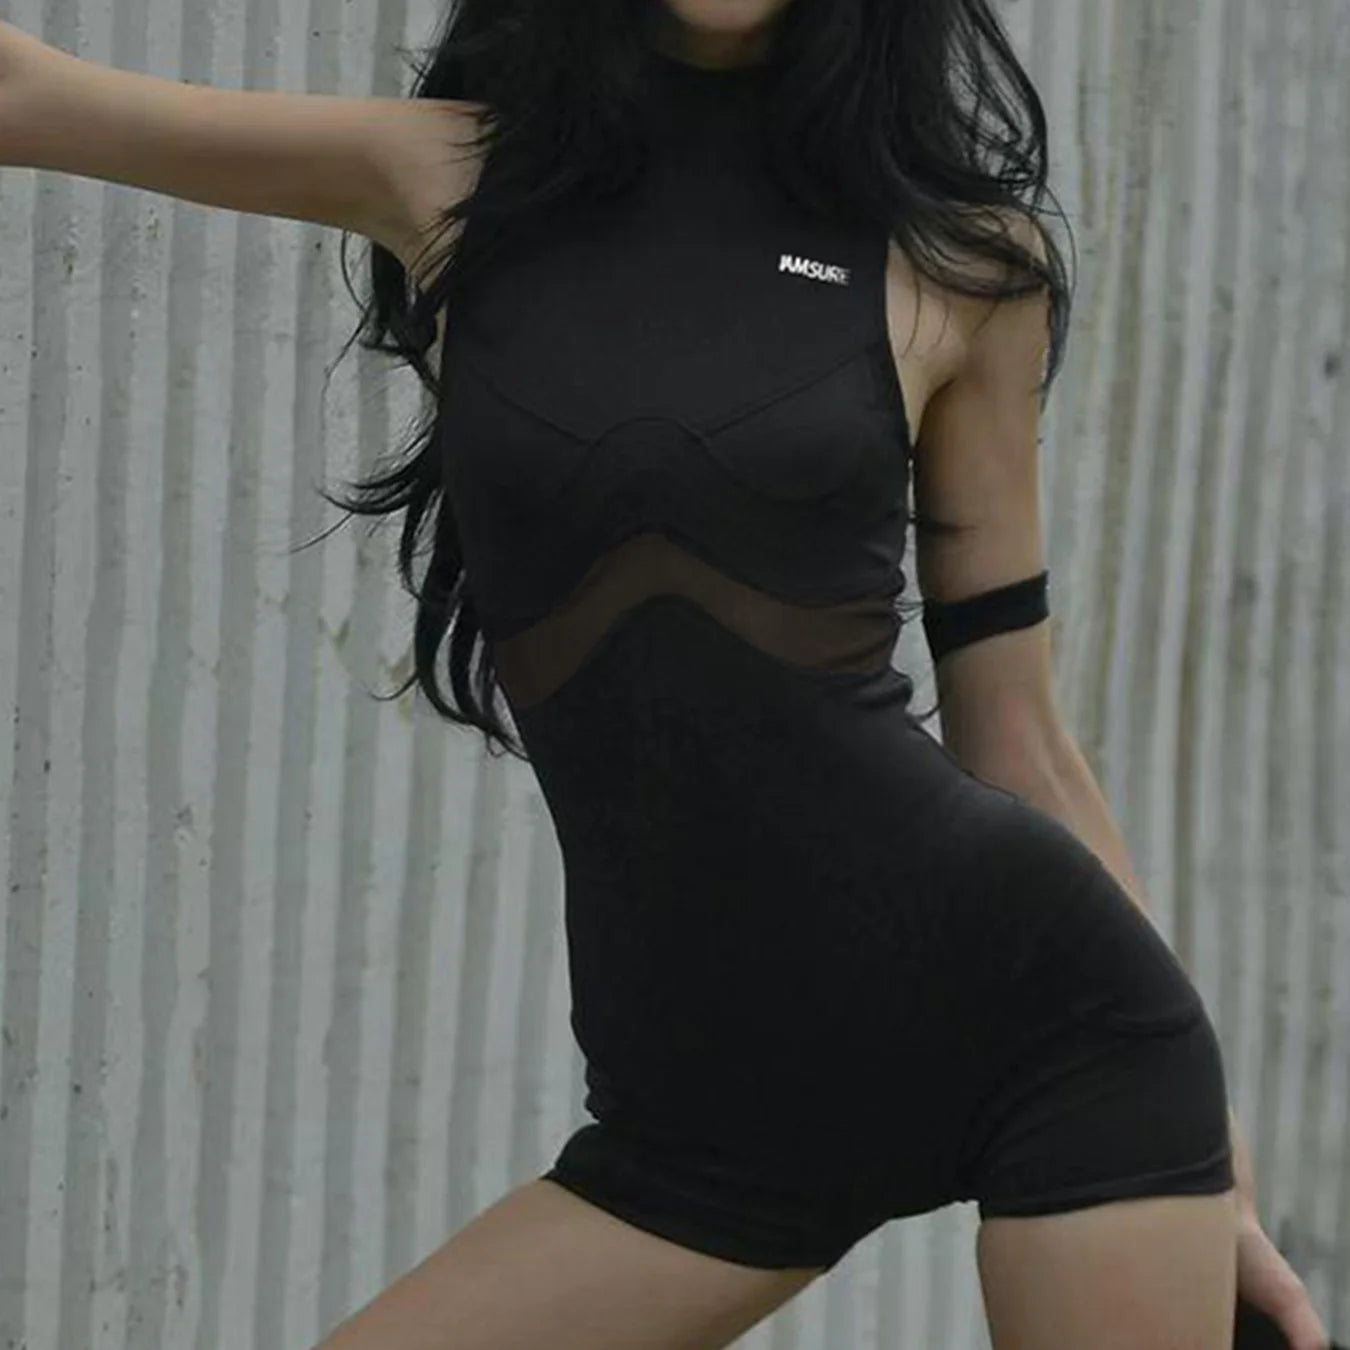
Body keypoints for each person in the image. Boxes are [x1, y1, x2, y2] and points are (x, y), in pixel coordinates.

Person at [0, 3, 1332, 1349]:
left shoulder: (960, 262)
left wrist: (1214, 1167)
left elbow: (1018, 734)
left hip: (1054, 1032)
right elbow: (33, 94)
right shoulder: (449, 178)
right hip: (702, 1115)